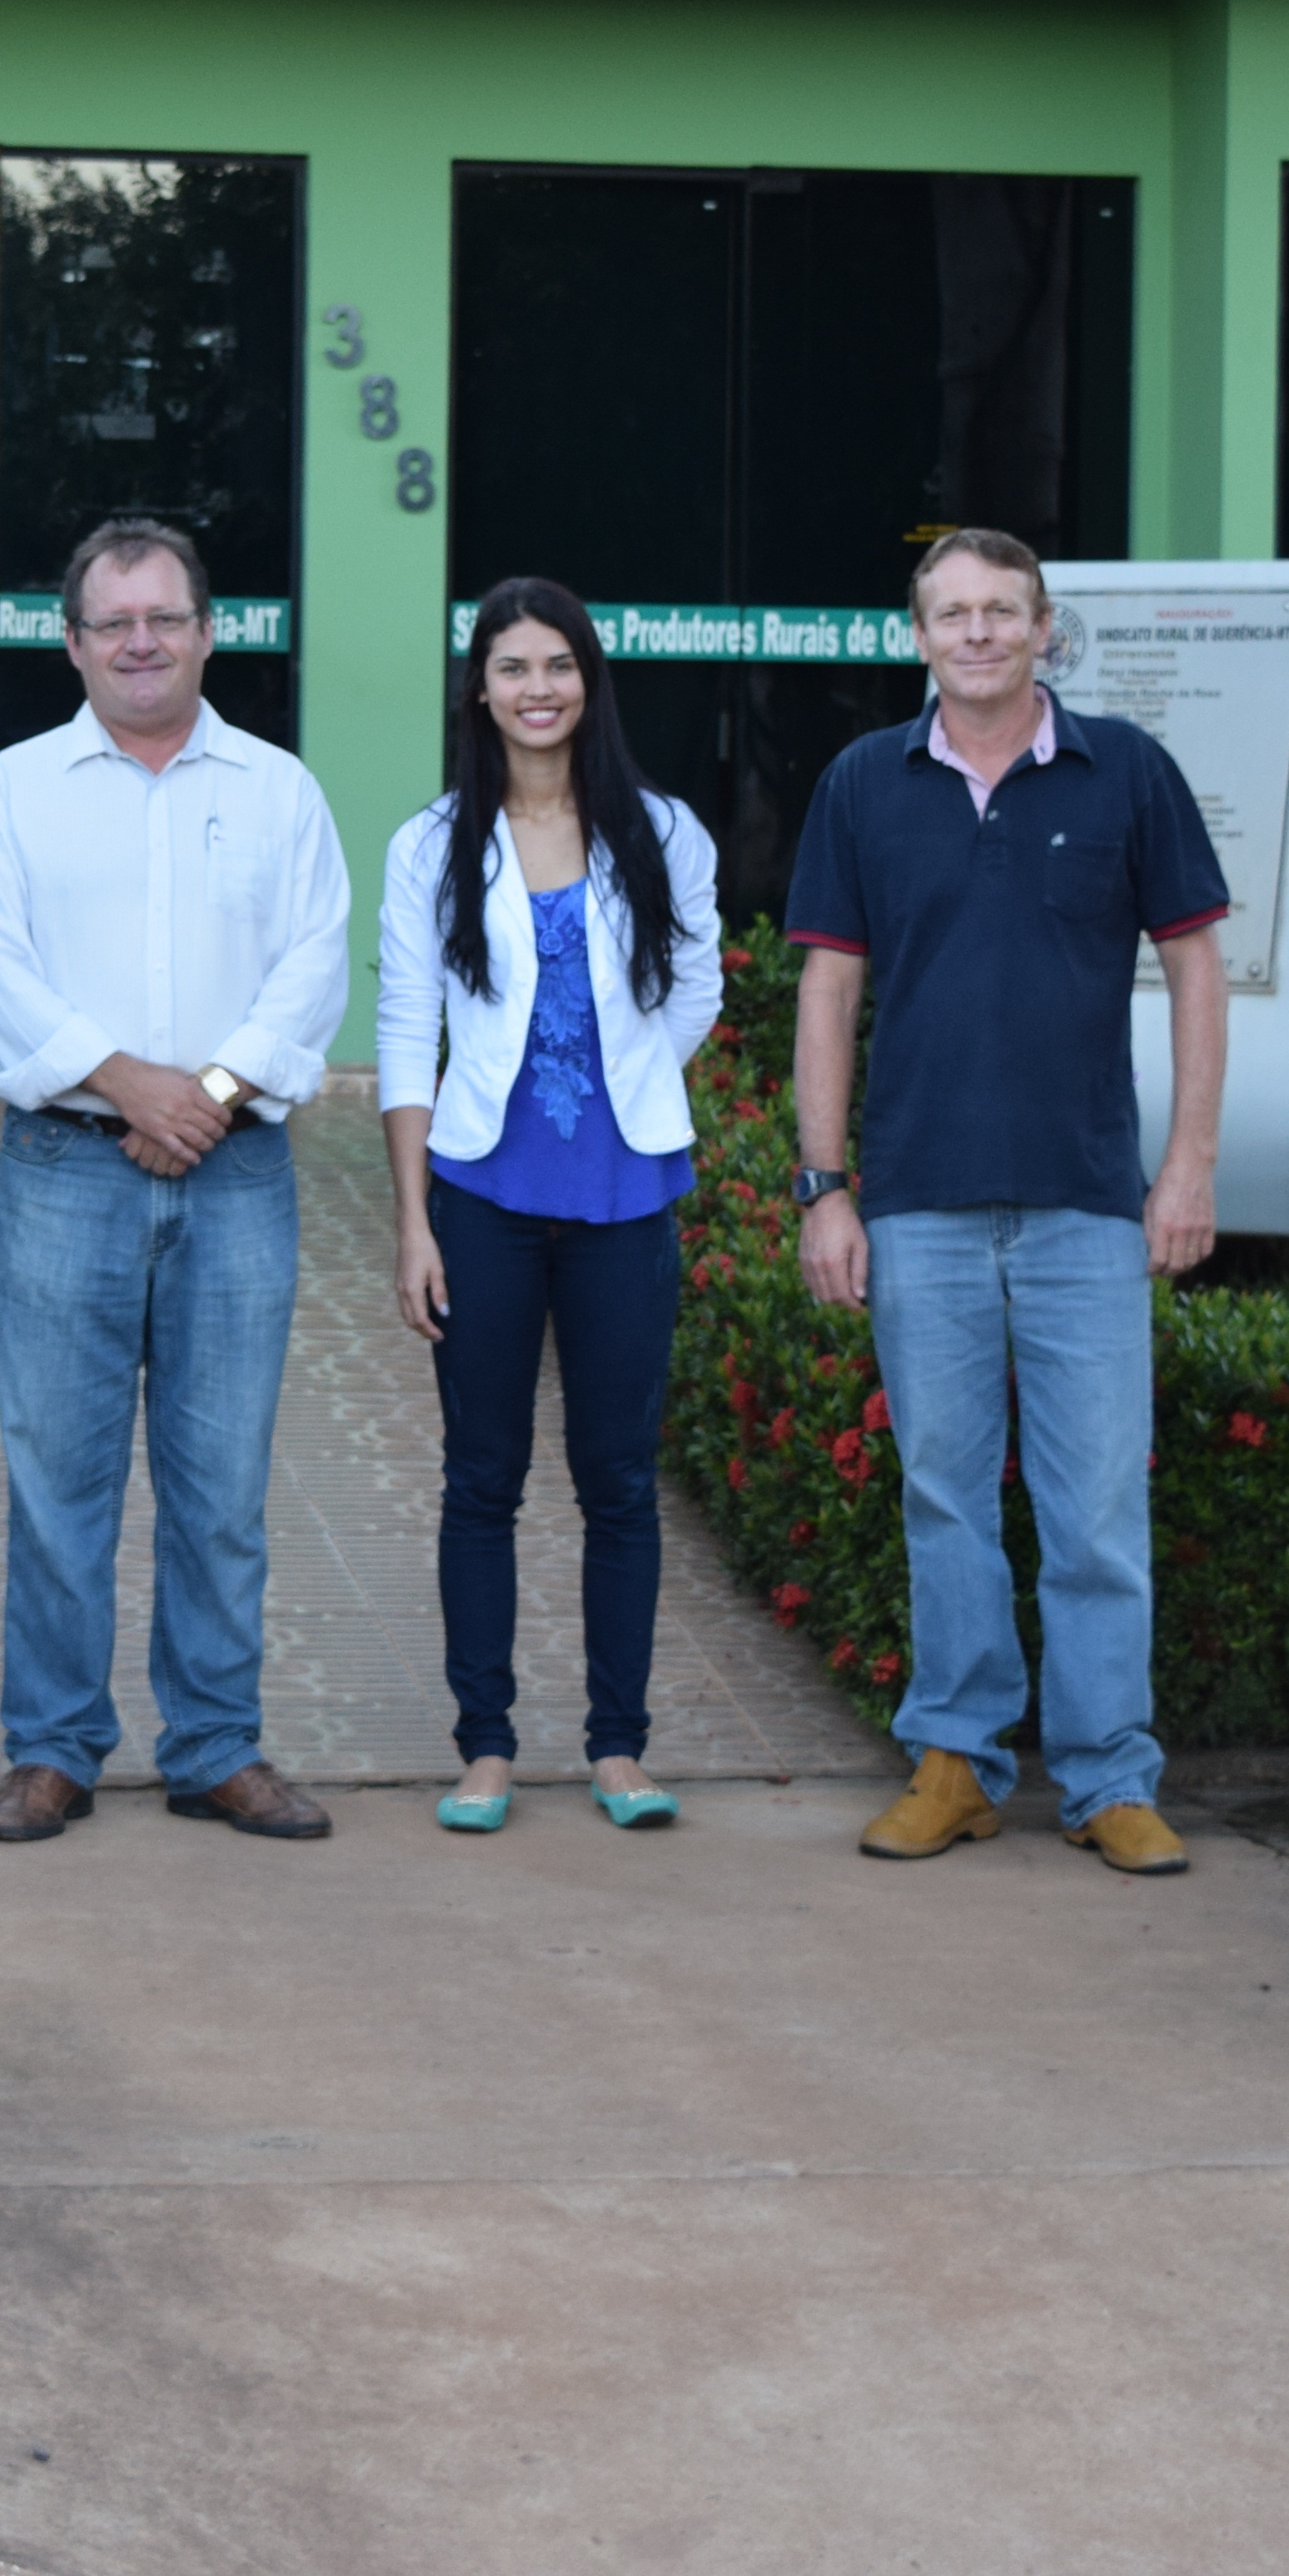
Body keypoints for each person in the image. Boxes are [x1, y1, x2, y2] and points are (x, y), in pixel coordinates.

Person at [787, 529, 1233, 1875]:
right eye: (952, 613)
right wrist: (825, 1189)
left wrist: (1190, 1165)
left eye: (1003, 611)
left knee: (1098, 1505)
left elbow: (1198, 972)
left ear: (1046, 629)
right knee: (944, 1496)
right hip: (917, 1204)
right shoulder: (865, 782)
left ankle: (1108, 1778)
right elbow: (828, 992)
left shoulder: (1127, 773)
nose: (978, 632)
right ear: (918, 635)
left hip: (1086, 1205)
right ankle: (959, 1762)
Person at [0, 518, 356, 1846]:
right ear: (71, 642)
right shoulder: (14, 788)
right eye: (112, 621)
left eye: (164, 618)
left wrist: (213, 1097)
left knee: (221, 1484)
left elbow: (314, 970)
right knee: (57, 1485)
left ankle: (218, 1748)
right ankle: (54, 1749)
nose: (140, 641)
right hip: (66, 1168)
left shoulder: (280, 790)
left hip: (238, 1179)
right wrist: (136, 1086)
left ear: (207, 631)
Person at [377, 577, 724, 1833]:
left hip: (626, 1195)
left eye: (560, 666)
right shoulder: (431, 843)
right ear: (480, 687)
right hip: (481, 1193)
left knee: (619, 1480)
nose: (539, 689)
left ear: (590, 682)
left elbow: (697, 987)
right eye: (514, 667)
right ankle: (485, 1747)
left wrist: (625, 1077)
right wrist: (413, 1220)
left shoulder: (665, 830)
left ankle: (618, 1749)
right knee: (484, 1478)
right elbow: (406, 1032)